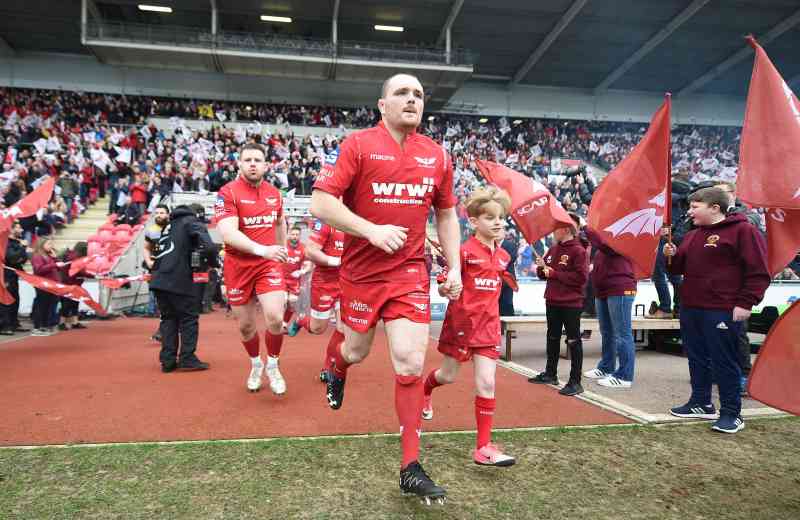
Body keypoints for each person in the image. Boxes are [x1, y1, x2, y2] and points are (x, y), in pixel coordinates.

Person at [311, 73, 462, 504]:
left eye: (418, 94)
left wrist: (455, 267)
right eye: (402, 93)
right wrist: (371, 231)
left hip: (410, 272)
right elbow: (322, 203)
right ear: (382, 105)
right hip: (361, 274)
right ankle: (336, 366)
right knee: (355, 351)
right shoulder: (358, 145)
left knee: (411, 363)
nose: (412, 99)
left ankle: (410, 466)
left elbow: (447, 215)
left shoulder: (436, 155)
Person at [421, 186, 515, 467]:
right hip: (461, 325)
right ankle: (425, 390)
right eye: (490, 217)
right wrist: (447, 289)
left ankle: (483, 447)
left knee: (486, 382)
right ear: (473, 221)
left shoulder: (503, 257)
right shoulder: (461, 253)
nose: (498, 222)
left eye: (501, 217)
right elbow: (442, 286)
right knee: (447, 376)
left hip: (488, 329)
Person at [664, 187, 770, 433]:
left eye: (694, 206)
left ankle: (732, 413)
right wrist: (671, 255)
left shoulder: (743, 231)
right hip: (692, 307)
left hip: (722, 308)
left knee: (724, 361)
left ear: (715, 208)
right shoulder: (693, 235)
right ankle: (701, 402)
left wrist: (746, 302)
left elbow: (758, 271)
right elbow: (677, 269)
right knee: (697, 357)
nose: (689, 211)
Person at [215, 143, 290, 395]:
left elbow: (280, 222)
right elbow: (228, 233)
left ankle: (273, 365)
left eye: (258, 160)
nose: (253, 164)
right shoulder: (228, 193)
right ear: (239, 164)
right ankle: (256, 365)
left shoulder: (275, 194)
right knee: (246, 327)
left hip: (268, 264)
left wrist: (281, 249)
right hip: (238, 266)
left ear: (266, 164)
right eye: (247, 160)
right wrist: (263, 249)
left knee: (276, 318)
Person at [150, 205, 218, 372]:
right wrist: (213, 262)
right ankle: (187, 358)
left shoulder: (167, 226)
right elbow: (209, 247)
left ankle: (168, 360)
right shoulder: (192, 222)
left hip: (159, 279)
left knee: (168, 319)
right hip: (178, 278)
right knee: (189, 318)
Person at [528, 213, 589, 396]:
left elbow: (581, 278)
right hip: (552, 300)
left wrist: (554, 274)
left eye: (556, 228)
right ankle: (550, 373)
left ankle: (575, 381)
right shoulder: (554, 249)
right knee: (552, 337)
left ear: (565, 229)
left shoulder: (579, 251)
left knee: (573, 340)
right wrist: (540, 268)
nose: (553, 231)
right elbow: (544, 273)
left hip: (571, 303)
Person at [287, 218, 345, 384]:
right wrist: (337, 261)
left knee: (343, 328)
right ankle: (301, 320)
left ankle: (328, 367)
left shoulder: (357, 222)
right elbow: (311, 251)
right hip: (324, 282)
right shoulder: (326, 222)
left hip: (346, 282)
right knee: (318, 328)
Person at [583, 226, 637, 388]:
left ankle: (624, 376)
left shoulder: (625, 234)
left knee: (622, 334)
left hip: (620, 288)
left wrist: (586, 228)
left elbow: (606, 248)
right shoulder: (605, 236)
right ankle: (606, 367)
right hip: (603, 289)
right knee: (607, 332)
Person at [144, 204, 170, 341]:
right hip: (157, 270)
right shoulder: (150, 230)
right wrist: (148, 261)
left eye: (162, 213)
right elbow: (146, 248)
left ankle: (168, 328)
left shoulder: (173, 229)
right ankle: (163, 329)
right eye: (157, 213)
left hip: (172, 270)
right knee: (160, 300)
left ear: (168, 214)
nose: (159, 215)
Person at [0, 221, 31, 335]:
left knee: (15, 299)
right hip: (5, 275)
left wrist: (21, 251)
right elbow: (12, 258)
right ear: (11, 230)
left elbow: (22, 259)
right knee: (6, 301)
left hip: (13, 275)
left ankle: (13, 323)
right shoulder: (5, 242)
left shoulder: (16, 242)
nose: (22, 230)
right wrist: (22, 248)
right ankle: (5, 325)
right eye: (19, 228)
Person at [281, 225, 312, 330]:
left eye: (297, 235)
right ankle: (277, 320)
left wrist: (301, 271)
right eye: (293, 234)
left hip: (294, 281)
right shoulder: (283, 246)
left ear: (300, 236)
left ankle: (284, 323)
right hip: (281, 278)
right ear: (289, 235)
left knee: (292, 302)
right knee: (283, 300)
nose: (295, 236)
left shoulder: (303, 248)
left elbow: (308, 265)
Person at [30, 238, 61, 337]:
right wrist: (54, 264)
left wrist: (55, 259)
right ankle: (37, 327)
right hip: (42, 284)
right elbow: (39, 270)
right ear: (41, 245)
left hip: (51, 284)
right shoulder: (37, 256)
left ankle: (44, 325)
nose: (51, 246)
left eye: (51, 243)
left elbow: (58, 267)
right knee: (41, 306)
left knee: (48, 306)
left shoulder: (49, 256)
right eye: (48, 244)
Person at [58, 242, 89, 331]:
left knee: (75, 302)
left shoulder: (74, 256)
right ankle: (62, 322)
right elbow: (79, 271)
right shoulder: (74, 258)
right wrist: (94, 275)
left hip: (74, 283)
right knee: (67, 303)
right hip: (69, 283)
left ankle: (74, 322)